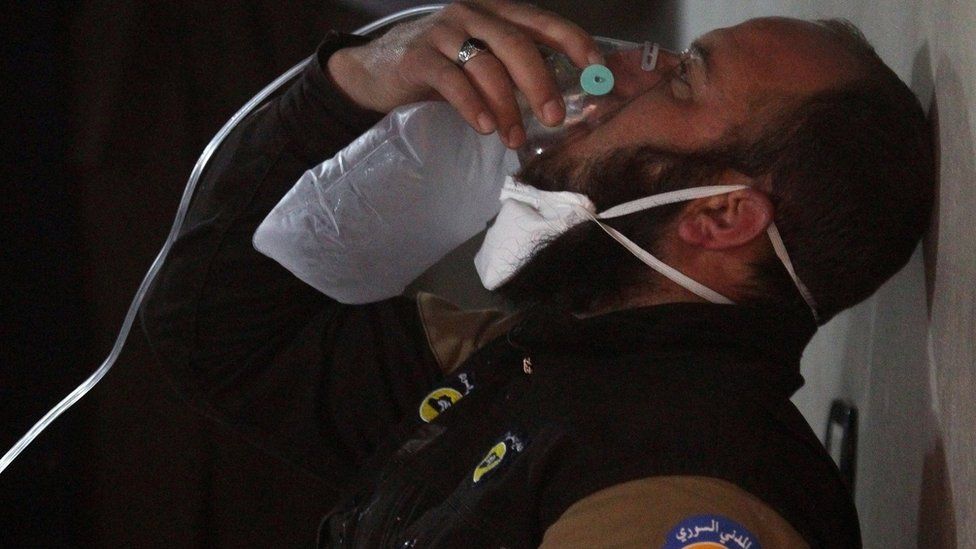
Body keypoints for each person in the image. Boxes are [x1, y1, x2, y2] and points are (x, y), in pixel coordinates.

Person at [140, 1, 932, 547]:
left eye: (683, 79)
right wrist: (352, 84)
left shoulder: (693, 483)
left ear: (720, 218)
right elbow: (216, 330)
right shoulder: (531, 360)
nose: (614, 77)